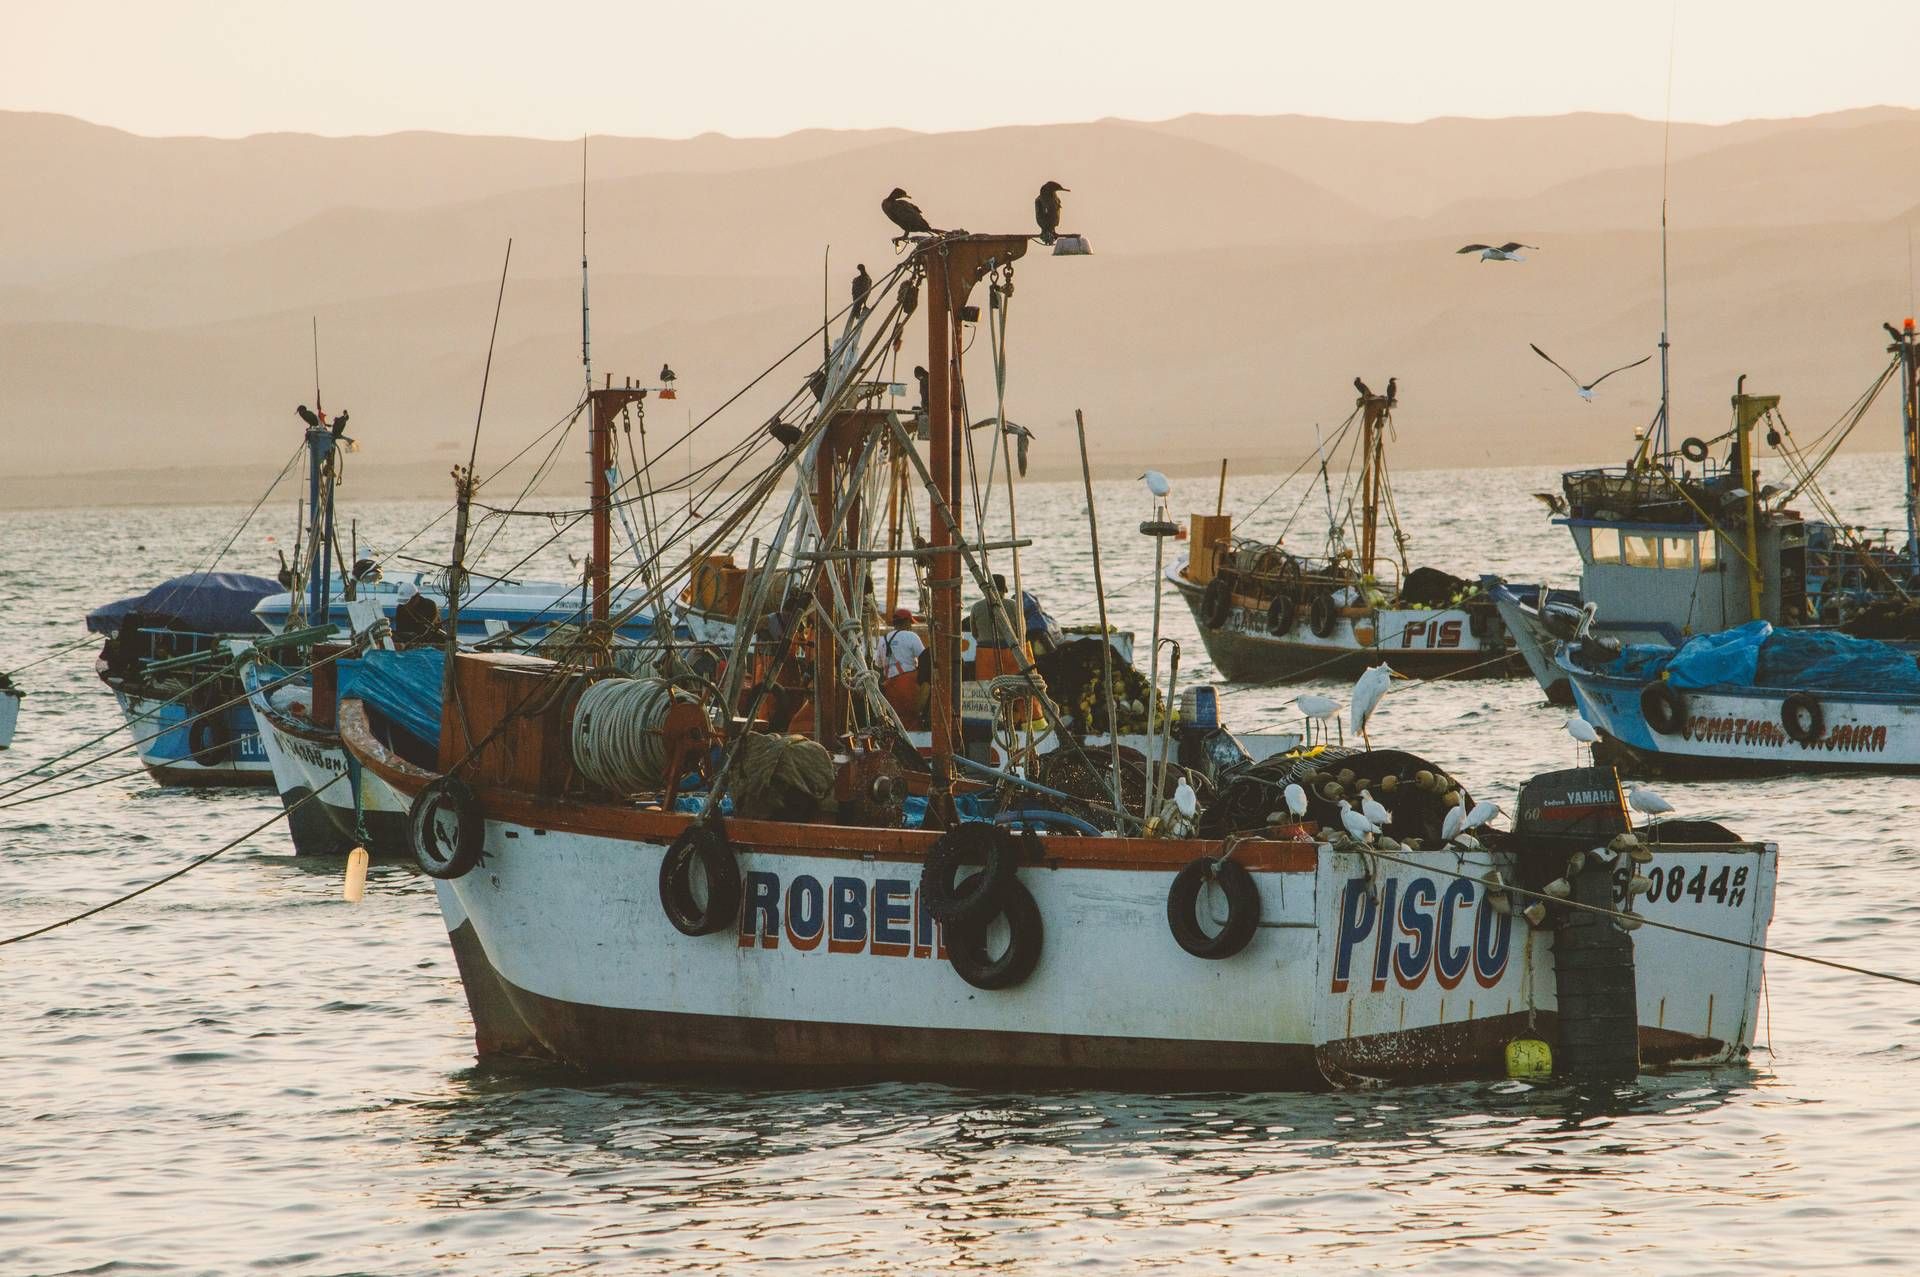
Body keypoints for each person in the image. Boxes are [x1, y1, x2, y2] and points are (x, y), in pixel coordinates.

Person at [875, 607, 925, 728]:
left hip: (889, 685)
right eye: (910, 623)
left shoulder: (883, 639)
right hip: (908, 682)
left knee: (896, 718)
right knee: (913, 716)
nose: (911, 626)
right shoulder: (911, 636)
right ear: (907, 622)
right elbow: (924, 658)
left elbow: (878, 664)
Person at [970, 574, 1023, 649]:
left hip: (984, 649)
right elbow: (1022, 631)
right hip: (1009, 648)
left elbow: (974, 634)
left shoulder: (976, 606)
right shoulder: (1013, 605)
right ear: (1004, 590)